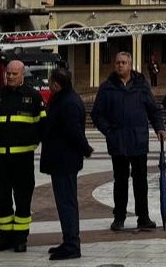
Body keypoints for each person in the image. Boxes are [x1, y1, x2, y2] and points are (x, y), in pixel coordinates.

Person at [91, 52, 166, 232]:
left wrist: (159, 128)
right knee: (120, 181)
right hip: (118, 142)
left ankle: (143, 217)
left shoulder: (141, 86)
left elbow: (153, 110)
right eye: (117, 62)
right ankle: (119, 217)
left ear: (130, 65)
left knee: (141, 181)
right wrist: (108, 131)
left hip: (138, 140)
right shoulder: (107, 87)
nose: (119, 65)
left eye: (123, 62)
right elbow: (97, 114)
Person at [0, 60, 45, 253]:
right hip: (0, 159)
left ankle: (21, 239)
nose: (10, 77)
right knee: (1, 199)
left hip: (23, 160)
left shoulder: (33, 97)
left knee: (23, 199)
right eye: (8, 73)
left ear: (22, 75)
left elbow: (42, 125)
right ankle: (5, 237)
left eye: (14, 74)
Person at [41, 67, 93, 261]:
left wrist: (86, 148)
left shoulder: (67, 102)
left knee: (67, 203)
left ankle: (72, 244)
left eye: (49, 82)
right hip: (61, 160)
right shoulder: (65, 99)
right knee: (65, 202)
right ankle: (68, 240)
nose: (48, 85)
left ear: (56, 83)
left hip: (64, 160)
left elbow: (73, 130)